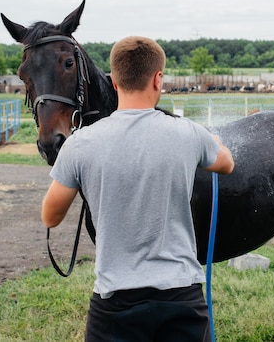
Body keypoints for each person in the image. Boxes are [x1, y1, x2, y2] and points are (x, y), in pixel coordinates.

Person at [41, 36, 235, 341]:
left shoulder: (80, 144)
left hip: (114, 306)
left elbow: (50, 217)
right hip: (182, 299)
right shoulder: (189, 134)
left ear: (114, 81)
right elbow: (226, 164)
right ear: (158, 79)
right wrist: (215, 143)